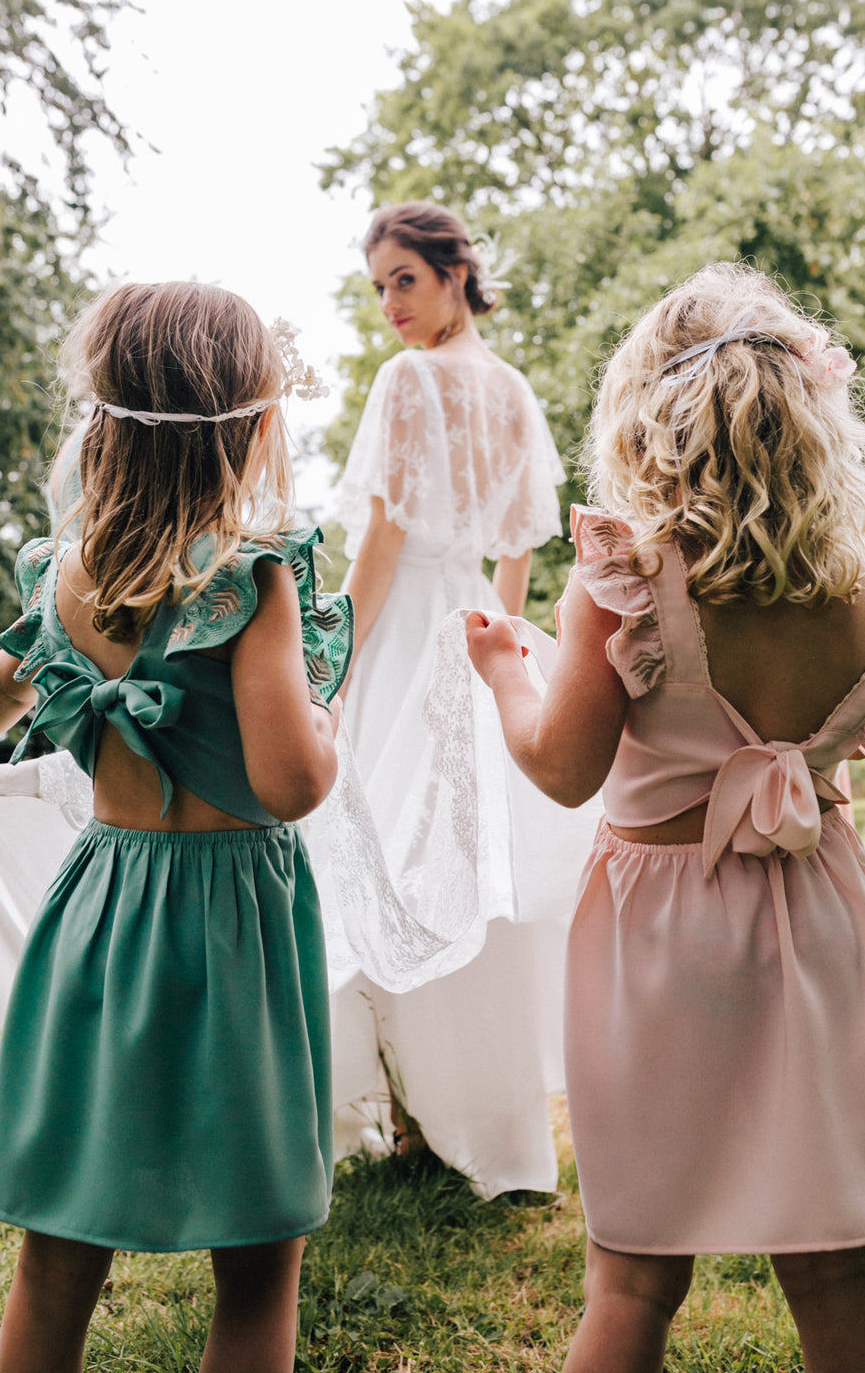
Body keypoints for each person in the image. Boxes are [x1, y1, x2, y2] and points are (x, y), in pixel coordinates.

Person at [466, 261, 865, 1373]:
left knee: (635, 1274)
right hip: (820, 932)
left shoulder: (622, 583)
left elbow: (560, 769)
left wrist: (506, 671)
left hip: (661, 947)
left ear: (649, 424)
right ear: (812, 425)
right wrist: (839, 744)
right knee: (836, 1264)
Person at [0, 282, 350, 1373]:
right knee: (260, 1255)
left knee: (59, 1245)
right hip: (233, 924)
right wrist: (325, 716)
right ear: (256, 426)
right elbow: (289, 781)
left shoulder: (66, 574)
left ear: (104, 427)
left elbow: (3, 673)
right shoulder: (254, 580)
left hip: (104, 915)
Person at [329, 200, 593, 1197]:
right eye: (378, 287)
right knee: (470, 858)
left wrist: (336, 669)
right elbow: (518, 549)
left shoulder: (410, 382)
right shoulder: (515, 390)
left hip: (405, 625)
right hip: (481, 626)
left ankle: (404, 1114)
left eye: (404, 278)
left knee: (385, 846)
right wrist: (501, 660)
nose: (390, 305)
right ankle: (486, 1124)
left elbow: (383, 544)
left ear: (453, 273)